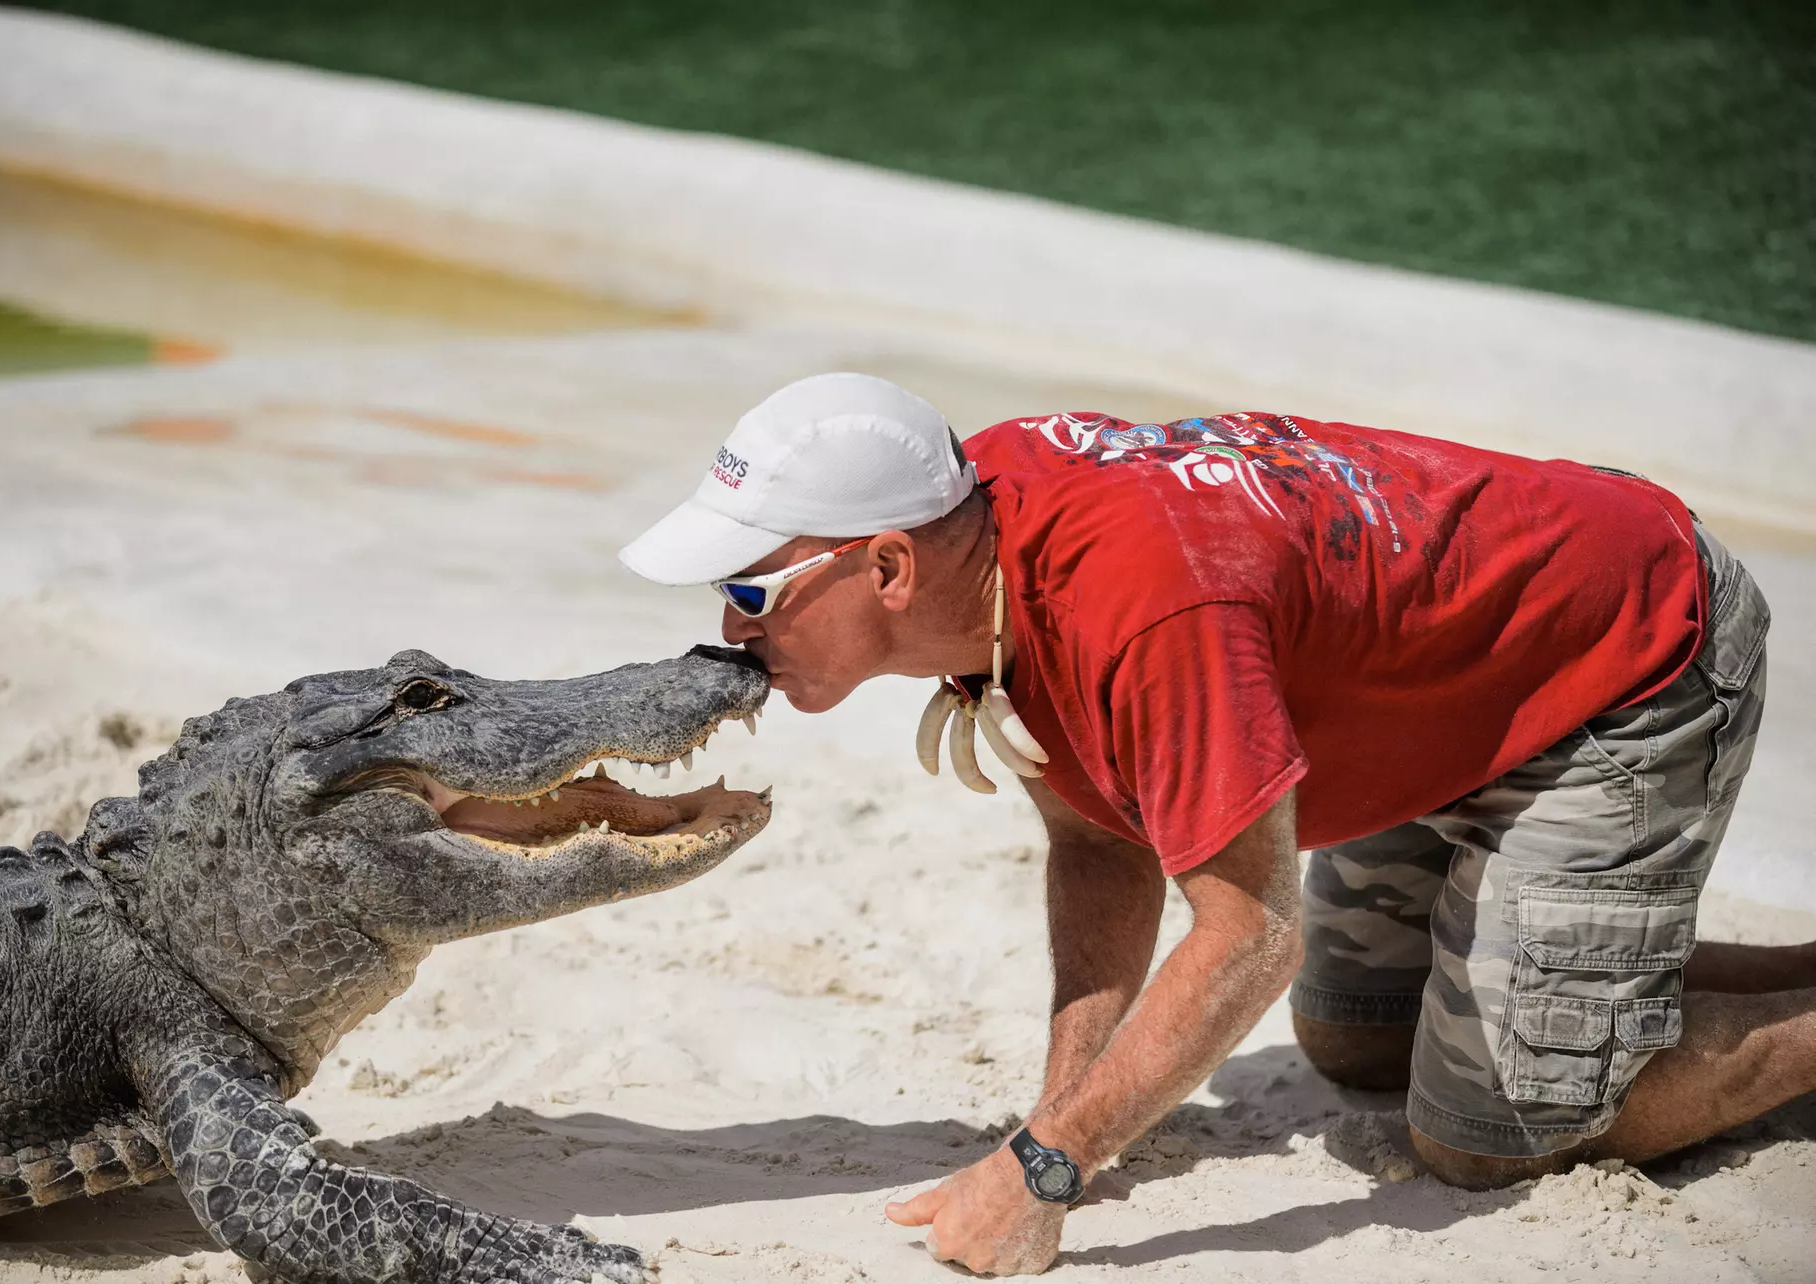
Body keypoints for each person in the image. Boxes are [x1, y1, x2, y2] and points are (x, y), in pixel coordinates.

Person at [617, 372, 1815, 1276]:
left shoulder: (1142, 609)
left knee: (1487, 1138)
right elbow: (1102, 833)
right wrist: (1067, 1108)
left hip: (1625, 657)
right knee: (1353, 1040)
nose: (728, 633)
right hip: (1446, 679)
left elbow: (1247, 935)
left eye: (750, 592)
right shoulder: (973, 543)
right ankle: (1619, 984)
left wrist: (1048, 1166)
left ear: (885, 568)